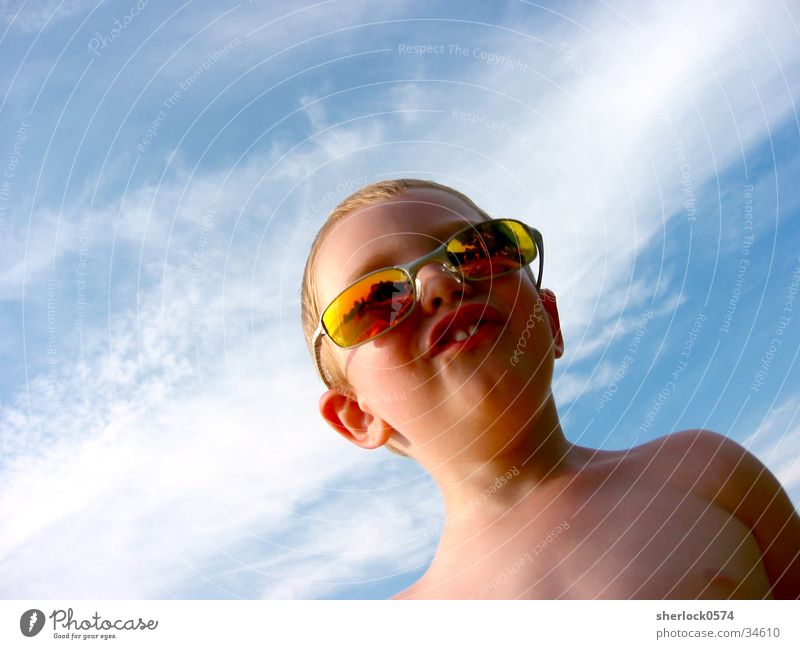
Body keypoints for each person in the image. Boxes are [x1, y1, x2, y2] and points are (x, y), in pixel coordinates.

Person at [300, 178, 800, 599]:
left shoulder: (703, 472)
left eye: (480, 250)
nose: (439, 283)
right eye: (375, 299)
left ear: (550, 320)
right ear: (357, 416)